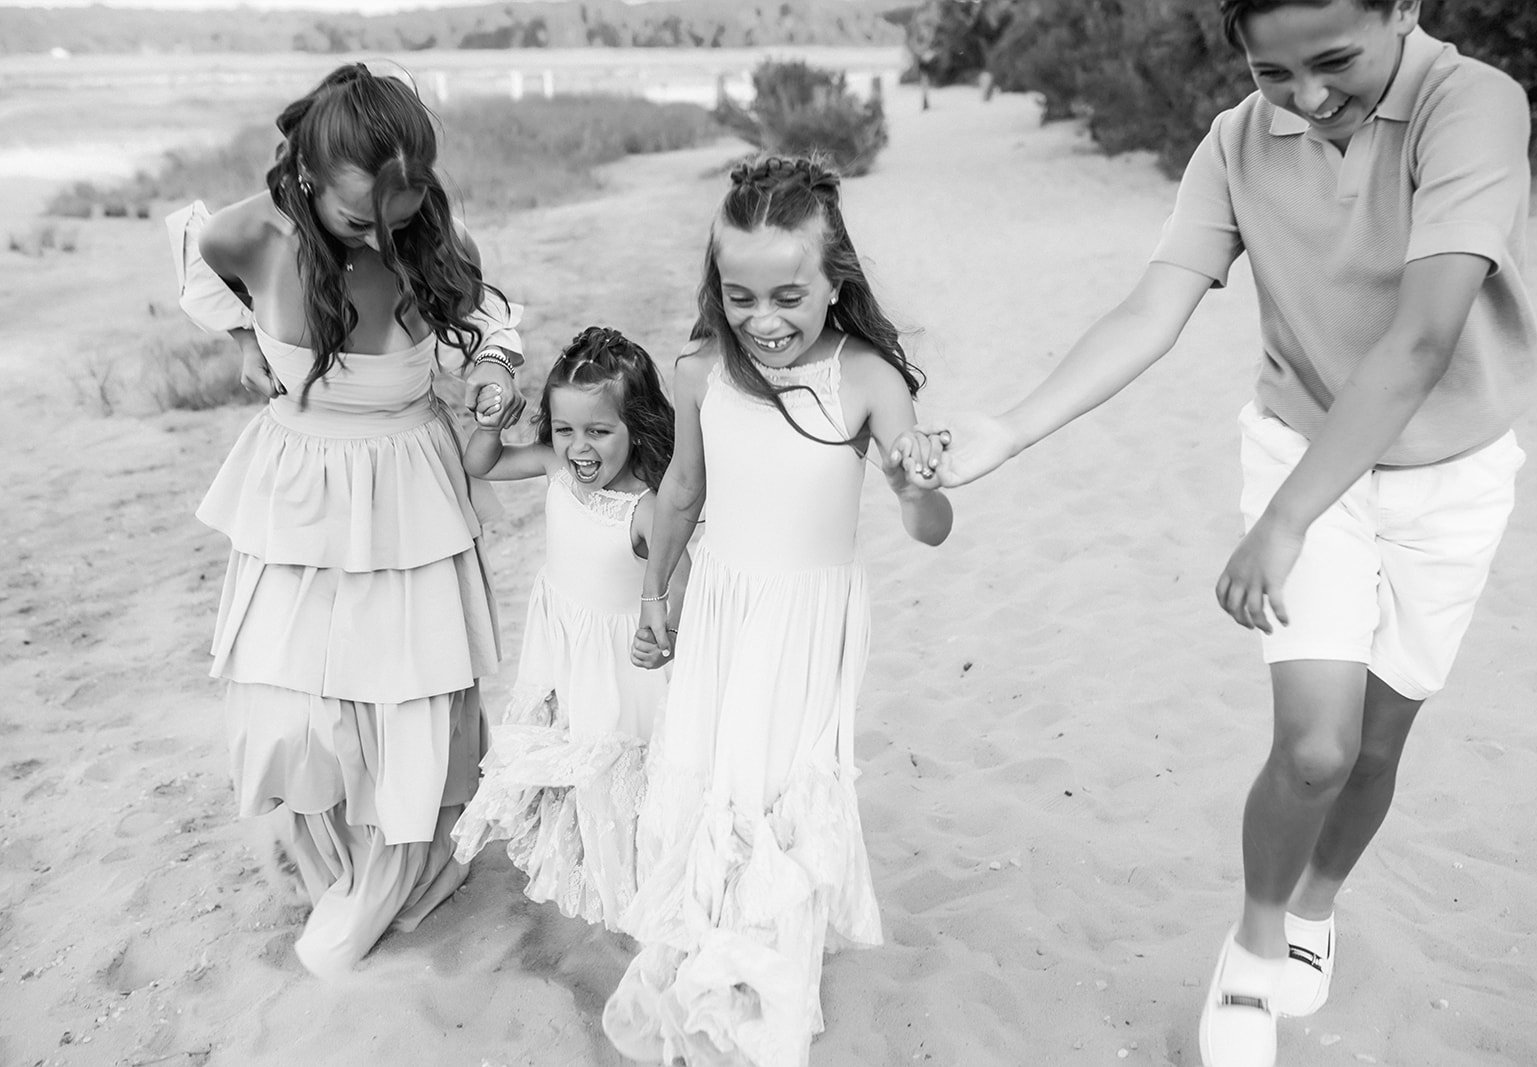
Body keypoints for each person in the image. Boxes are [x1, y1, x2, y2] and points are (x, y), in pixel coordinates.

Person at [913, 2, 1537, 1065]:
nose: (1303, 99)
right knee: (1315, 744)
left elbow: (1425, 333)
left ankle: (1313, 913)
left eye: (1332, 62)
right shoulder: (1232, 141)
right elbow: (1153, 307)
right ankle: (1253, 949)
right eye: (1269, 71)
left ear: (1403, 9)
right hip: (1302, 452)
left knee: (1379, 744)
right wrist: (1009, 428)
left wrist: (1284, 523)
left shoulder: (1469, 103)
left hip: (1452, 473)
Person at [165, 61, 529, 976]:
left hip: (406, 482)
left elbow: (487, 327)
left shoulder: (432, 237)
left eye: (398, 217)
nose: (381, 236)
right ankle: (333, 856)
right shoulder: (255, 231)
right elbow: (195, 261)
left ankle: (392, 870)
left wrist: (493, 374)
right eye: (358, 218)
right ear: (307, 176)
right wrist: (249, 338)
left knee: (405, 690)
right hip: (299, 485)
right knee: (298, 698)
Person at [599, 155, 953, 1066]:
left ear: (837, 282)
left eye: (788, 296)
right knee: (710, 774)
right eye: (739, 296)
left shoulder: (869, 379)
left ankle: (763, 995)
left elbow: (930, 525)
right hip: (719, 605)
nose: (763, 321)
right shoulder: (699, 370)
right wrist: (656, 598)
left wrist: (919, 486)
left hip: (805, 624)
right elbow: (681, 492)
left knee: (775, 792)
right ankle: (707, 960)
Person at [451, 325, 687, 932]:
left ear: (637, 426)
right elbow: (484, 463)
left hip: (615, 659)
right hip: (561, 639)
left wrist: (662, 632)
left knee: (612, 765)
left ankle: (627, 886)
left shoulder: (642, 507)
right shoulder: (556, 466)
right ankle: (578, 856)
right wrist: (490, 425)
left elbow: (678, 576)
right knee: (568, 747)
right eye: (565, 429)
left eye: (599, 431)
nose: (579, 448)